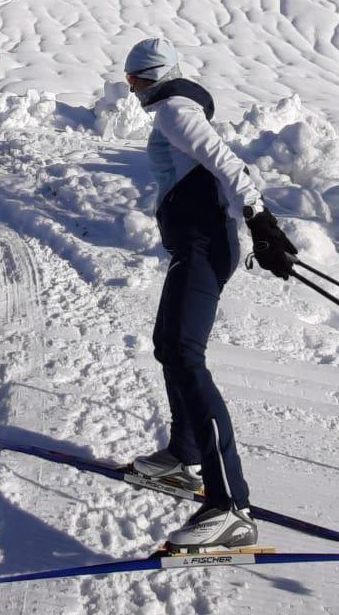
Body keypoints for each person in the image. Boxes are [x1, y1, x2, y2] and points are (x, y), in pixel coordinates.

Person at [122, 36, 299, 550]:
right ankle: (184, 454)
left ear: (147, 78)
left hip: (203, 246)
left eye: (132, 80)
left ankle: (230, 507)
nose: (130, 89)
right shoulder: (175, 109)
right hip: (197, 245)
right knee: (168, 345)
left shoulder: (175, 111)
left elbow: (227, 163)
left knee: (183, 353)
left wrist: (260, 219)